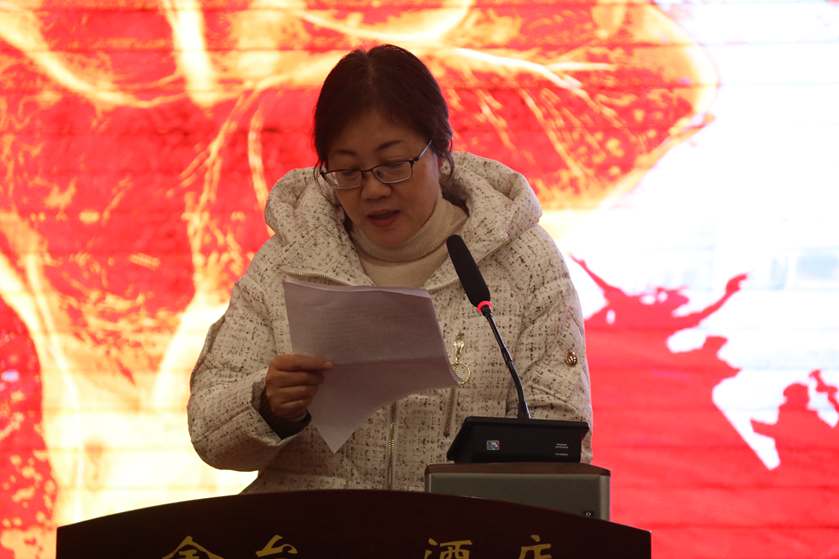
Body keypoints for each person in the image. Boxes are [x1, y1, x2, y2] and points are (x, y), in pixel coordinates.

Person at [187, 44, 592, 492]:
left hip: (457, 526)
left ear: (440, 152)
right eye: (348, 171)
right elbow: (208, 430)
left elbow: (563, 437)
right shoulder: (290, 260)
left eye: (394, 165)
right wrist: (267, 405)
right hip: (312, 525)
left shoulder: (522, 260)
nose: (373, 190)